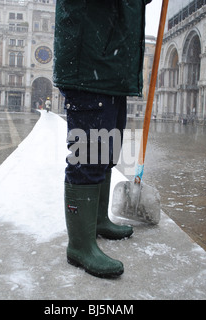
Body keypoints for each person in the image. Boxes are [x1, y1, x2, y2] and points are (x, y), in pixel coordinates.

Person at [53, 0, 152, 278]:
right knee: (87, 155)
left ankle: (96, 220)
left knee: (106, 152)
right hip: (90, 61)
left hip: (111, 67)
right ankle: (80, 246)